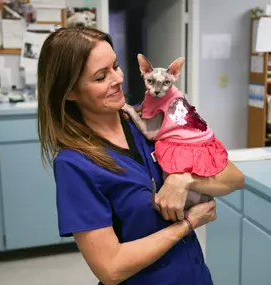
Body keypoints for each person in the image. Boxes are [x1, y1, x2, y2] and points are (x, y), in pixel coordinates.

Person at [37, 27, 244, 285]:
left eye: (115, 66)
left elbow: (235, 177)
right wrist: (187, 223)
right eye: (101, 77)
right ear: (69, 93)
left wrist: (184, 179)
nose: (117, 79)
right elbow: (110, 268)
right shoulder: (75, 165)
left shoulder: (156, 121)